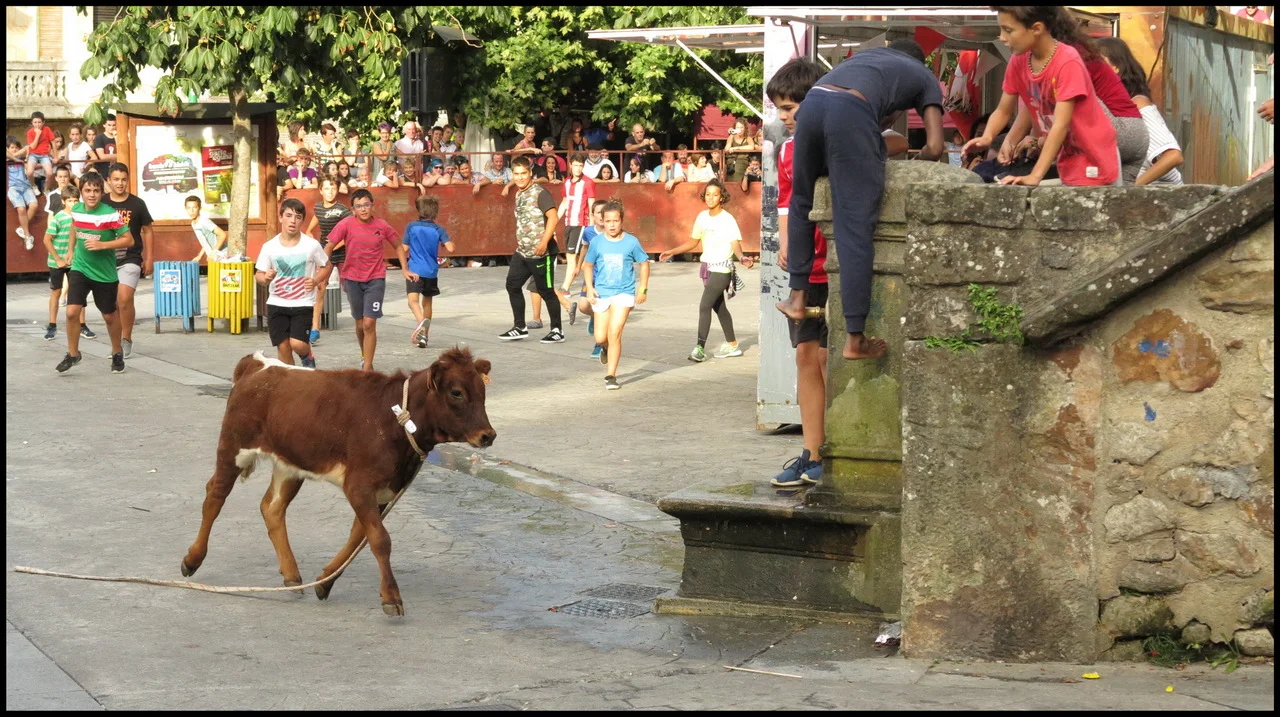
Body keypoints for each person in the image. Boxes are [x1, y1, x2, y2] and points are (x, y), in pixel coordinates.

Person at [779, 39, 946, 362]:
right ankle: (855, 338)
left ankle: (796, 299)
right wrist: (920, 158)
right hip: (851, 112)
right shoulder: (924, 76)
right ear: (919, 61)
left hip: (812, 105)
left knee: (802, 201)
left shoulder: (866, 59)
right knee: (853, 226)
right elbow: (936, 146)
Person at [963, 7, 1118, 188]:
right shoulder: (1018, 61)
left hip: (1094, 156)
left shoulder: (1067, 61)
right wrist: (988, 137)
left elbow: (1060, 125)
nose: (1002, 37)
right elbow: (1003, 110)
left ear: (1036, 28)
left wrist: (1035, 176)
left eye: (1008, 30)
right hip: (1068, 157)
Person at [767, 56, 828, 487]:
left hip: (839, 264)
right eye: (779, 110)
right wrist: (786, 242)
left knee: (828, 358)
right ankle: (811, 451)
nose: (783, 117)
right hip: (806, 270)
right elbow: (786, 202)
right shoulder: (786, 149)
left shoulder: (838, 137)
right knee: (806, 356)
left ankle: (837, 450)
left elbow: (894, 141)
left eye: (789, 108)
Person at [659, 180, 753, 362]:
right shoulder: (702, 217)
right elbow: (693, 242)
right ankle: (732, 345)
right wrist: (672, 251)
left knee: (704, 306)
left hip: (722, 268)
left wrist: (741, 257)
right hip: (707, 268)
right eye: (708, 194)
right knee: (719, 307)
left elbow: (735, 243)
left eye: (715, 194)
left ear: (721, 197)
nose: (711, 198)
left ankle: (699, 349)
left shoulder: (727, 219)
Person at [324, 189, 409, 371]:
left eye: (366, 205)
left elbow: (398, 245)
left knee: (369, 323)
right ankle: (364, 354)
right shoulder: (346, 224)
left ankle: (367, 370)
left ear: (372, 206)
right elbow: (329, 245)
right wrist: (322, 266)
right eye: (358, 206)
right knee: (360, 324)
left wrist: (405, 269)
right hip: (351, 279)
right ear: (353, 209)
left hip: (375, 279)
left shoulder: (382, 226)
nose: (363, 209)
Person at [56, 171, 131, 374]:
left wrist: (103, 245)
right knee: (71, 312)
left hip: (104, 274)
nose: (92, 195)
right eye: (88, 190)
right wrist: (70, 250)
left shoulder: (109, 214)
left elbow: (128, 239)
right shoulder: (77, 210)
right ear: (81, 192)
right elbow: (74, 227)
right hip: (80, 268)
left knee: (109, 315)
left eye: (96, 191)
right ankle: (73, 354)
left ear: (101, 193)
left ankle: (117, 352)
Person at [1096, 37, 1184, 185]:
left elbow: (1173, 156)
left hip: (1163, 195)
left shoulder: (1138, 105)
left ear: (1116, 67)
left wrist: (1131, 188)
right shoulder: (1107, 108)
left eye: (1097, 61)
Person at [582, 200, 650, 390]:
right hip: (602, 293)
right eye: (608, 221)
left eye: (615, 221)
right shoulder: (597, 242)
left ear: (622, 221)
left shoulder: (631, 242)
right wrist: (589, 288)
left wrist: (643, 288)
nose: (612, 225)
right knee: (600, 338)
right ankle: (605, 348)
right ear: (602, 221)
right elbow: (587, 265)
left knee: (615, 333)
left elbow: (644, 263)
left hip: (624, 293)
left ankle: (611, 375)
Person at [497, 156, 563, 343]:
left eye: (523, 173)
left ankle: (557, 330)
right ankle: (519, 327)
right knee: (512, 285)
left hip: (542, 253)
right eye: (516, 174)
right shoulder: (519, 194)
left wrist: (544, 242)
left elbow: (553, 217)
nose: (520, 177)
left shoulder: (540, 193)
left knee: (546, 291)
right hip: (522, 252)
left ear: (530, 173)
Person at [255, 198, 327, 368]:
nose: (293, 221)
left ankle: (307, 355)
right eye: (288, 215)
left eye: (298, 217)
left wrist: (315, 280)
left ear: (302, 221)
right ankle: (292, 379)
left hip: (302, 302)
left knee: (298, 344)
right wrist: (265, 278)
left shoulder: (311, 245)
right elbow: (259, 275)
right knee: (283, 347)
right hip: (277, 302)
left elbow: (327, 265)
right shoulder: (269, 246)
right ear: (281, 218)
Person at [104, 162, 154, 360]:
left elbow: (148, 230)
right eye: (116, 179)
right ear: (108, 181)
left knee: (124, 299)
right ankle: (115, 345)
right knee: (111, 305)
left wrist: (149, 258)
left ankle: (126, 338)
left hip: (130, 258)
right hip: (105, 259)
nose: (120, 183)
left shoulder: (137, 204)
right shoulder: (101, 203)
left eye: (124, 179)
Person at [41, 184, 97, 342]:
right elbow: (46, 239)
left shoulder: (81, 217)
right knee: (56, 291)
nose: (73, 203)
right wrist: (58, 259)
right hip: (57, 262)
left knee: (78, 293)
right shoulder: (58, 218)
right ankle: (52, 325)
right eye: (70, 200)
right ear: (63, 201)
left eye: (75, 200)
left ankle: (82, 325)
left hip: (76, 262)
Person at [303, 177, 353, 345]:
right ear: (320, 191)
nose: (330, 192)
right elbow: (310, 228)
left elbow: (349, 235)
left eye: (333, 189)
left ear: (337, 191)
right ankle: (315, 328)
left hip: (343, 252)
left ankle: (360, 321)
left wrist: (332, 246)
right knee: (319, 286)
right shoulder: (318, 208)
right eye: (326, 189)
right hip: (325, 253)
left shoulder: (343, 210)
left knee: (350, 287)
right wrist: (312, 237)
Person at [402, 195, 456, 349]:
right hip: (431, 271)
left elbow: (404, 248)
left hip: (414, 270)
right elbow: (451, 248)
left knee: (412, 301)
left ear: (419, 210)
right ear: (435, 212)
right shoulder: (439, 229)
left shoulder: (411, 227)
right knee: (427, 303)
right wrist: (447, 243)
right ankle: (424, 337)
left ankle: (421, 322)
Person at [559, 152, 597, 324]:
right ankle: (582, 284)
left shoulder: (588, 182)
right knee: (572, 257)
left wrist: (591, 227)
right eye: (575, 165)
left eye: (581, 165)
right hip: (569, 223)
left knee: (572, 256)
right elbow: (564, 202)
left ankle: (565, 287)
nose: (578, 168)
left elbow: (591, 205)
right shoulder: (567, 182)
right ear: (570, 165)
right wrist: (554, 221)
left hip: (581, 223)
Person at [8, 137, 38, 249]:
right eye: (12, 147)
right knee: (21, 209)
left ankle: (22, 228)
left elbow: (27, 149)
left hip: (25, 186)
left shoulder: (22, 158)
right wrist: (15, 158)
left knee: (34, 205)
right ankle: (27, 236)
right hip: (12, 187)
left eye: (17, 147)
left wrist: (20, 157)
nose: (15, 149)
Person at [187, 195, 235, 263]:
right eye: (189, 208)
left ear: (200, 208)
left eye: (194, 207)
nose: (191, 211)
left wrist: (213, 253)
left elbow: (222, 235)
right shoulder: (193, 224)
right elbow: (205, 241)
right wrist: (199, 256)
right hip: (214, 258)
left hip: (223, 255)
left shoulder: (204, 221)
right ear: (186, 209)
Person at [24, 112, 56, 194]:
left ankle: (46, 189)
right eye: (35, 122)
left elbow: (53, 142)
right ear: (32, 123)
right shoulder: (30, 132)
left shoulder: (47, 129)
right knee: (29, 172)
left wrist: (55, 156)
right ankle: (34, 186)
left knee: (50, 173)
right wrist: (38, 134)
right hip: (33, 155)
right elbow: (33, 146)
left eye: (39, 122)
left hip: (44, 155)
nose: (37, 124)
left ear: (43, 122)